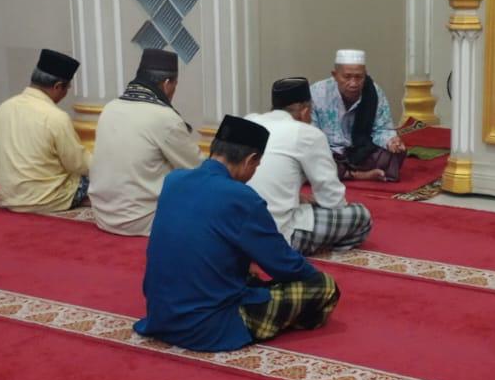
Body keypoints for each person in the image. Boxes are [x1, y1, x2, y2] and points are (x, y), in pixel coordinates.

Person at [135, 115, 341, 351]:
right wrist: (313, 277)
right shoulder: (241, 197)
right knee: (325, 287)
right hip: (209, 328)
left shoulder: (174, 180)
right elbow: (283, 264)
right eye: (256, 166)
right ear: (250, 160)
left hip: (161, 317)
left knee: (248, 274)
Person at [247, 77, 372, 254]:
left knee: (303, 202)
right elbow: (333, 199)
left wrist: (299, 198)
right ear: (305, 111)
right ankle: (328, 251)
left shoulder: (250, 121)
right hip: (278, 236)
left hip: (238, 231)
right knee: (360, 215)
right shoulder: (306, 133)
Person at [88, 48, 202, 235]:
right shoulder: (164, 117)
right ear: (167, 84)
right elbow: (197, 168)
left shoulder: (110, 108)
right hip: (143, 220)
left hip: (103, 215)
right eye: (175, 85)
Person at [0, 49, 89, 213]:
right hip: (47, 198)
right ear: (58, 86)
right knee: (106, 175)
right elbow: (78, 164)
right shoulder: (56, 117)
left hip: (11, 197)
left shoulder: (4, 107)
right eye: (67, 88)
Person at [309, 49, 406, 181]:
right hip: (329, 153)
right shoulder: (317, 93)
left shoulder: (373, 92)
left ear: (365, 75)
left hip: (361, 151)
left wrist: (391, 141)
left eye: (359, 77)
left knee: (393, 155)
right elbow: (311, 135)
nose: (353, 83)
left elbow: (382, 129)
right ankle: (356, 175)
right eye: (347, 77)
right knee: (308, 160)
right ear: (335, 75)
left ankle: (344, 172)